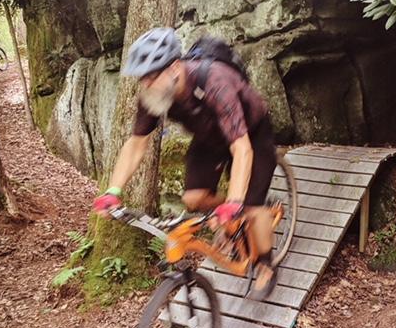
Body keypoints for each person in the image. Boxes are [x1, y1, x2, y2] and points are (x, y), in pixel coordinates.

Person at [93, 27, 278, 300]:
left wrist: (237, 203)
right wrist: (113, 191)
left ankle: (265, 264)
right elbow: (136, 144)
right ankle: (231, 219)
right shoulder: (154, 96)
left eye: (152, 76)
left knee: (251, 207)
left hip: (251, 134)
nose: (145, 84)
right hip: (209, 139)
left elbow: (241, 149)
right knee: (193, 198)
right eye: (142, 78)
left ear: (175, 67)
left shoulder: (214, 81)